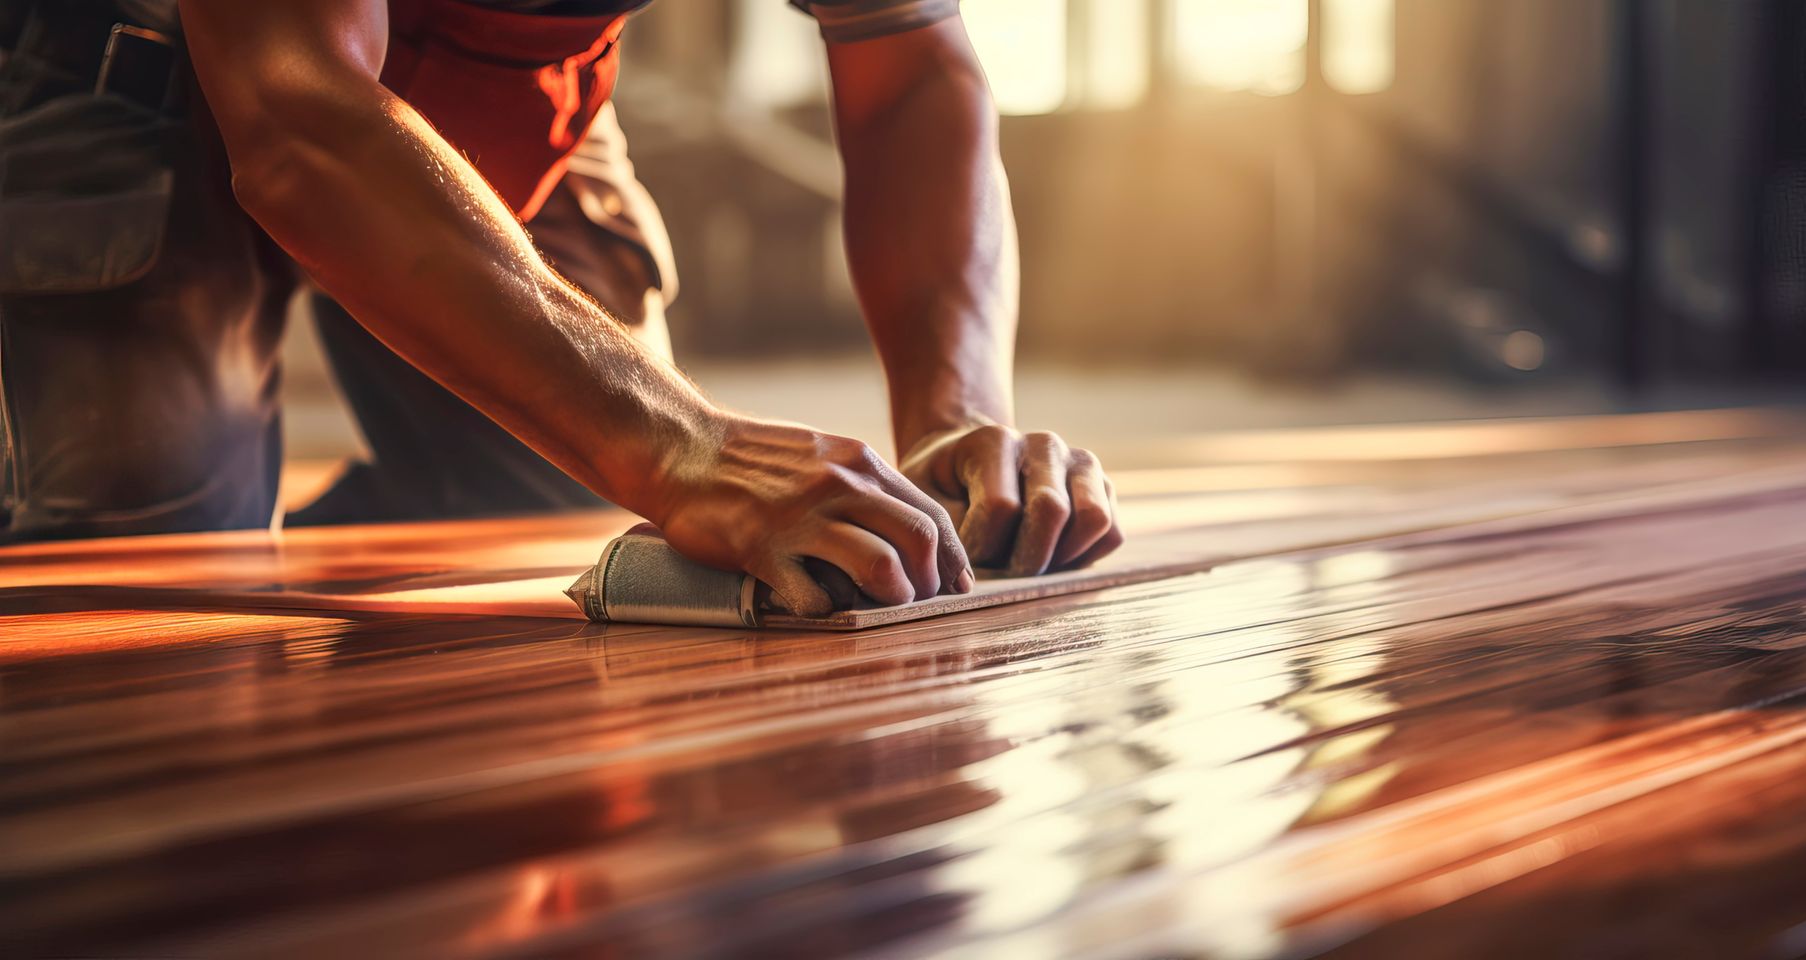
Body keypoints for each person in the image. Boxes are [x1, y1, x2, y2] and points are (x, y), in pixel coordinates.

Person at [0, 0, 1121, 615]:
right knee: (145, 588)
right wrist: (679, 444)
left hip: (513, 82)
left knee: (584, 542)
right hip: (140, 56)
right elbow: (298, 118)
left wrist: (949, 415)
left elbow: (915, 73)